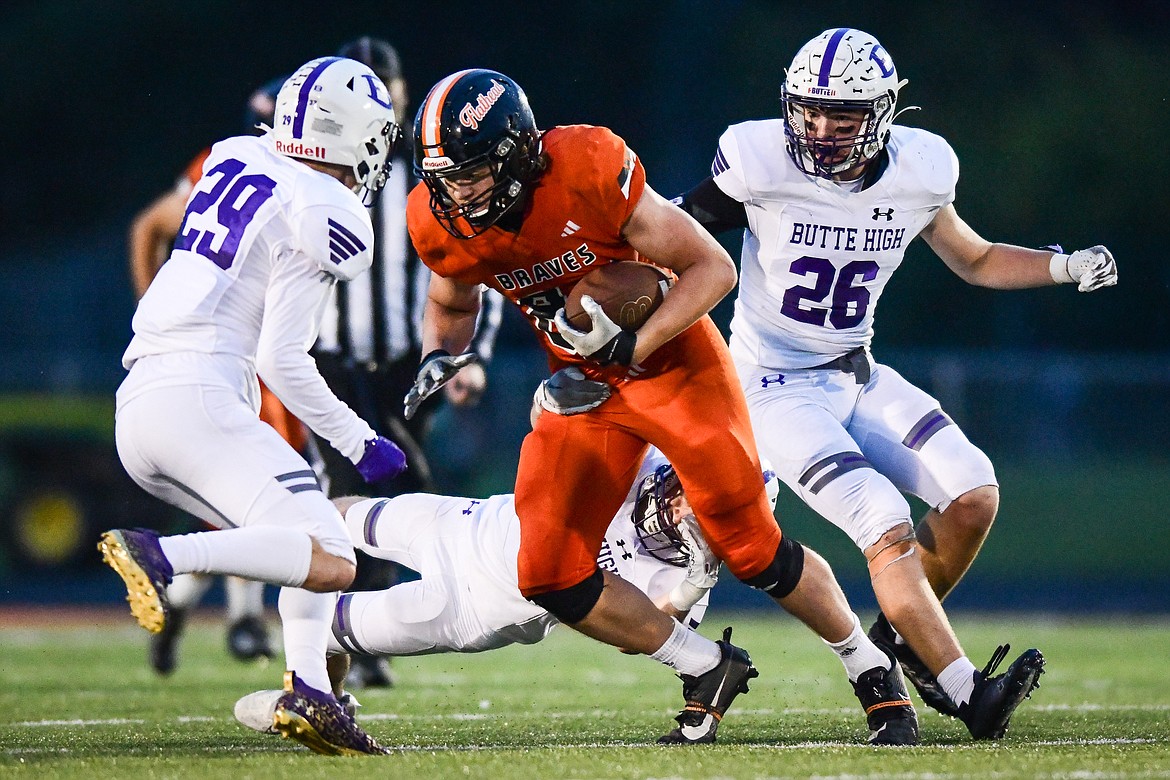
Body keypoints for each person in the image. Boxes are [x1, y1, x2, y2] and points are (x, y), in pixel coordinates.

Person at [401, 68, 933, 746]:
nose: (456, 190)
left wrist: (634, 342)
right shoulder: (437, 216)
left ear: (516, 153)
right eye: (444, 175)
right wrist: (439, 356)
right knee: (549, 574)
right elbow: (451, 303)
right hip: (583, 386)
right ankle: (705, 667)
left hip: (675, 363)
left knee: (751, 547)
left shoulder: (587, 164)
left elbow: (713, 267)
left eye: (472, 172)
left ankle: (872, 672)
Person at [675, 28, 1116, 737]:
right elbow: (676, 231)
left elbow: (973, 259)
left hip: (858, 372)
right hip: (772, 385)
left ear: (882, 114)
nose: (819, 131)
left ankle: (909, 638)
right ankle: (967, 691)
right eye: (809, 112)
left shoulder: (921, 169)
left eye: (841, 116)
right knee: (882, 519)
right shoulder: (759, 160)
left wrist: (1060, 267)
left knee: (973, 493)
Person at [234, 378, 914, 746]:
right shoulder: (648, 456)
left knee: (318, 624)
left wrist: (692, 584)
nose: (679, 509)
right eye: (684, 492)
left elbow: (645, 630)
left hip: (477, 607)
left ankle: (325, 700)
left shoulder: (679, 579)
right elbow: (568, 418)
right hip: (470, 518)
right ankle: (251, 528)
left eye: (698, 513)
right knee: (335, 517)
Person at [99, 55, 408, 756]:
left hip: (147, 397)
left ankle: (312, 693)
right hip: (200, 395)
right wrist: (359, 441)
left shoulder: (239, 151)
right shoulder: (325, 207)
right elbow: (283, 361)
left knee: (305, 531)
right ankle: (162, 553)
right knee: (333, 553)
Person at [310, 37, 505, 689]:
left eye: (384, 89)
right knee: (384, 481)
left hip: (404, 366)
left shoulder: (424, 183)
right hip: (330, 363)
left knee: (382, 488)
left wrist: (463, 354)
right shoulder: (315, 178)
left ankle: (353, 635)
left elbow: (480, 267)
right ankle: (340, 631)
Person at [126, 75, 291, 676]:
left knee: (255, 502)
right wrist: (153, 313)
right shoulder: (227, 169)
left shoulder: (283, 179)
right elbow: (149, 226)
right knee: (258, 499)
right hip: (222, 356)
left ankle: (178, 598)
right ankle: (244, 619)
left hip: (267, 357)